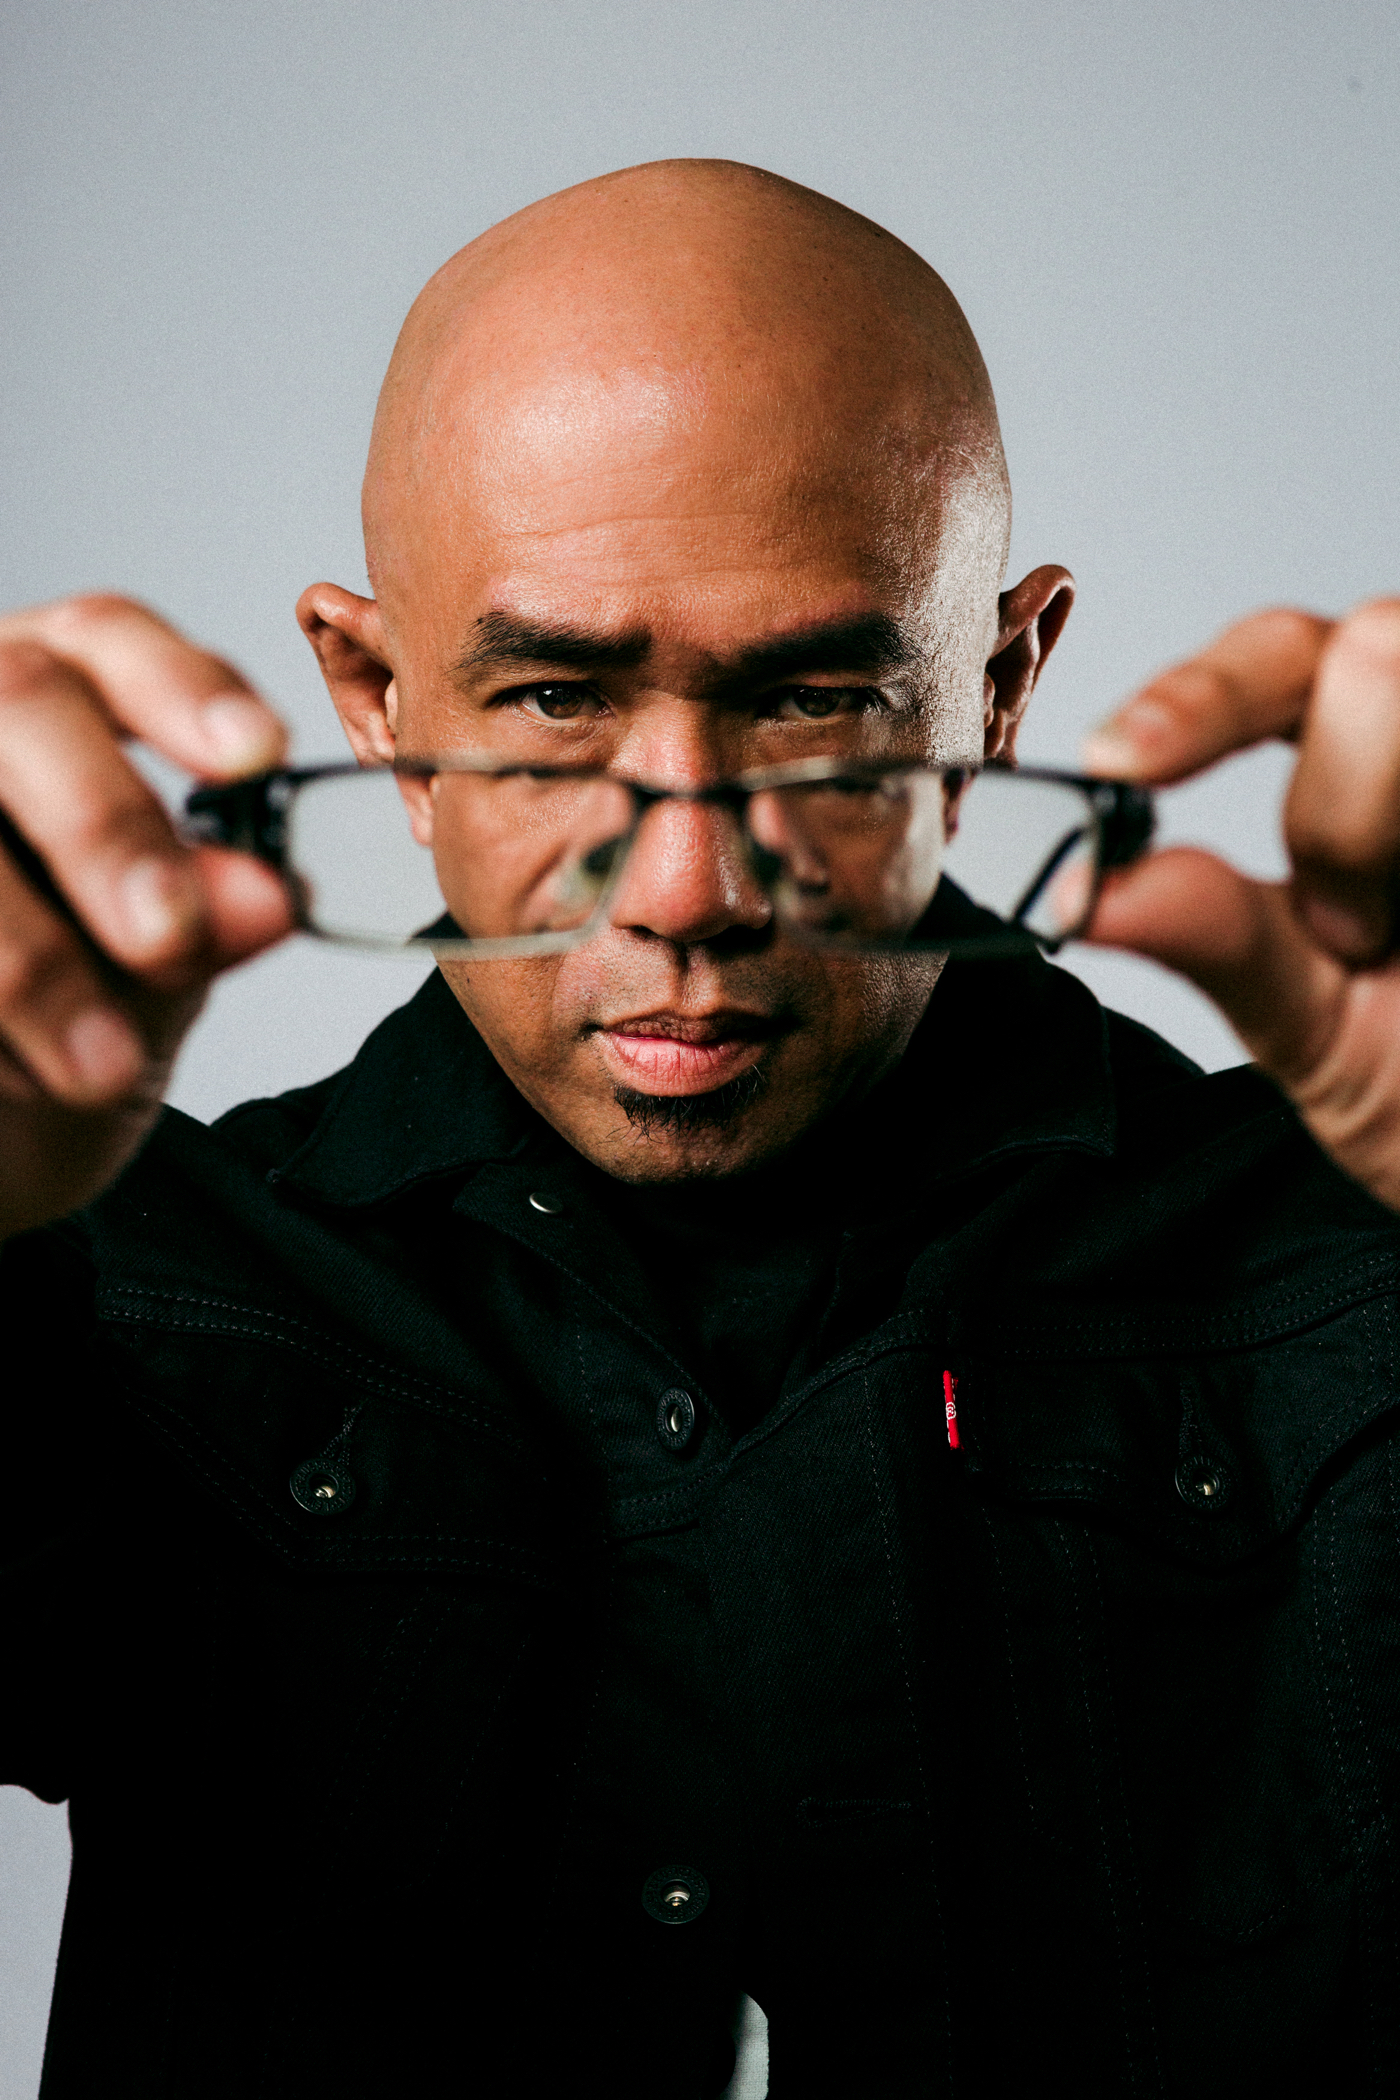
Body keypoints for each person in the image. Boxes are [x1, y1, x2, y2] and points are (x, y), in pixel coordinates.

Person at [3, 159, 1399, 2098]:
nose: (687, 892)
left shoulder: (1347, 1257)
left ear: (999, 689)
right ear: (375, 699)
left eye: (816, 704)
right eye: (554, 700)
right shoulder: (106, 1283)